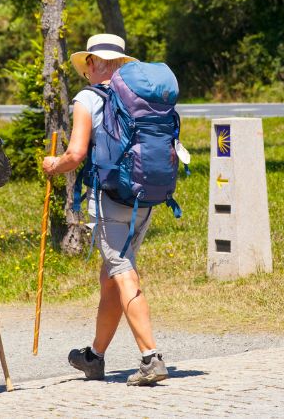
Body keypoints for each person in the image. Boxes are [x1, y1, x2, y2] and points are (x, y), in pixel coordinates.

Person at [42, 34, 169, 386]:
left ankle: (150, 357)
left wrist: (54, 165)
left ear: (94, 64)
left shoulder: (87, 98)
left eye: (88, 65)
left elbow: (76, 154)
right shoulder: (140, 95)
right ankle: (94, 357)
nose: (87, 71)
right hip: (144, 195)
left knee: (122, 271)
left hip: (111, 196)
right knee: (111, 275)